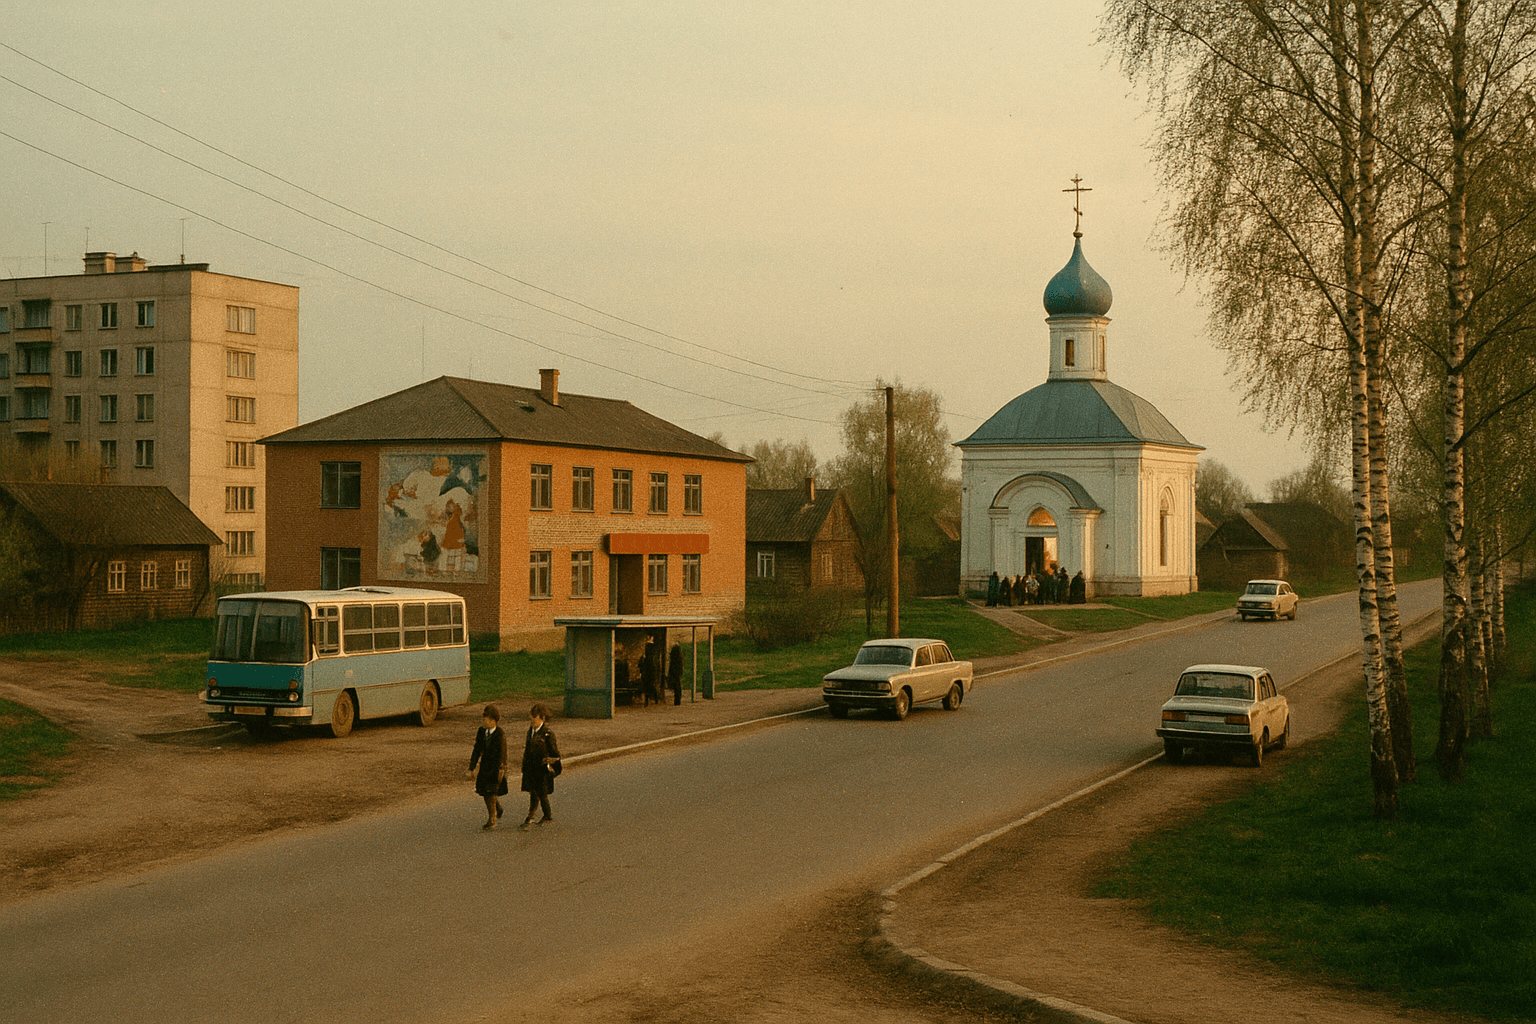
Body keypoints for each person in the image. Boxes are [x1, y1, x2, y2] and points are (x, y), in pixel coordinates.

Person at [520, 702, 562, 828]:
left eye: (534, 720)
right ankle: (531, 815)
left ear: (542, 718)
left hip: (542, 768)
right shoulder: (530, 732)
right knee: (533, 791)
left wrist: (552, 762)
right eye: (531, 720)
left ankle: (547, 815)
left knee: (542, 793)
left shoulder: (548, 734)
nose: (532, 723)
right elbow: (527, 749)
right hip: (531, 767)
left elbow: (555, 753)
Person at [467, 704, 508, 830]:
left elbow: (503, 753)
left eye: (487, 719)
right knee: (485, 792)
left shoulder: (500, 734)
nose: (484, 721)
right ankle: (498, 808)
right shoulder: (481, 732)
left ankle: (492, 819)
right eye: (483, 719)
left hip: (495, 767)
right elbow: (477, 749)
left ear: (494, 721)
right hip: (485, 766)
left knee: (491, 792)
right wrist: (471, 767)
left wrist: (502, 768)